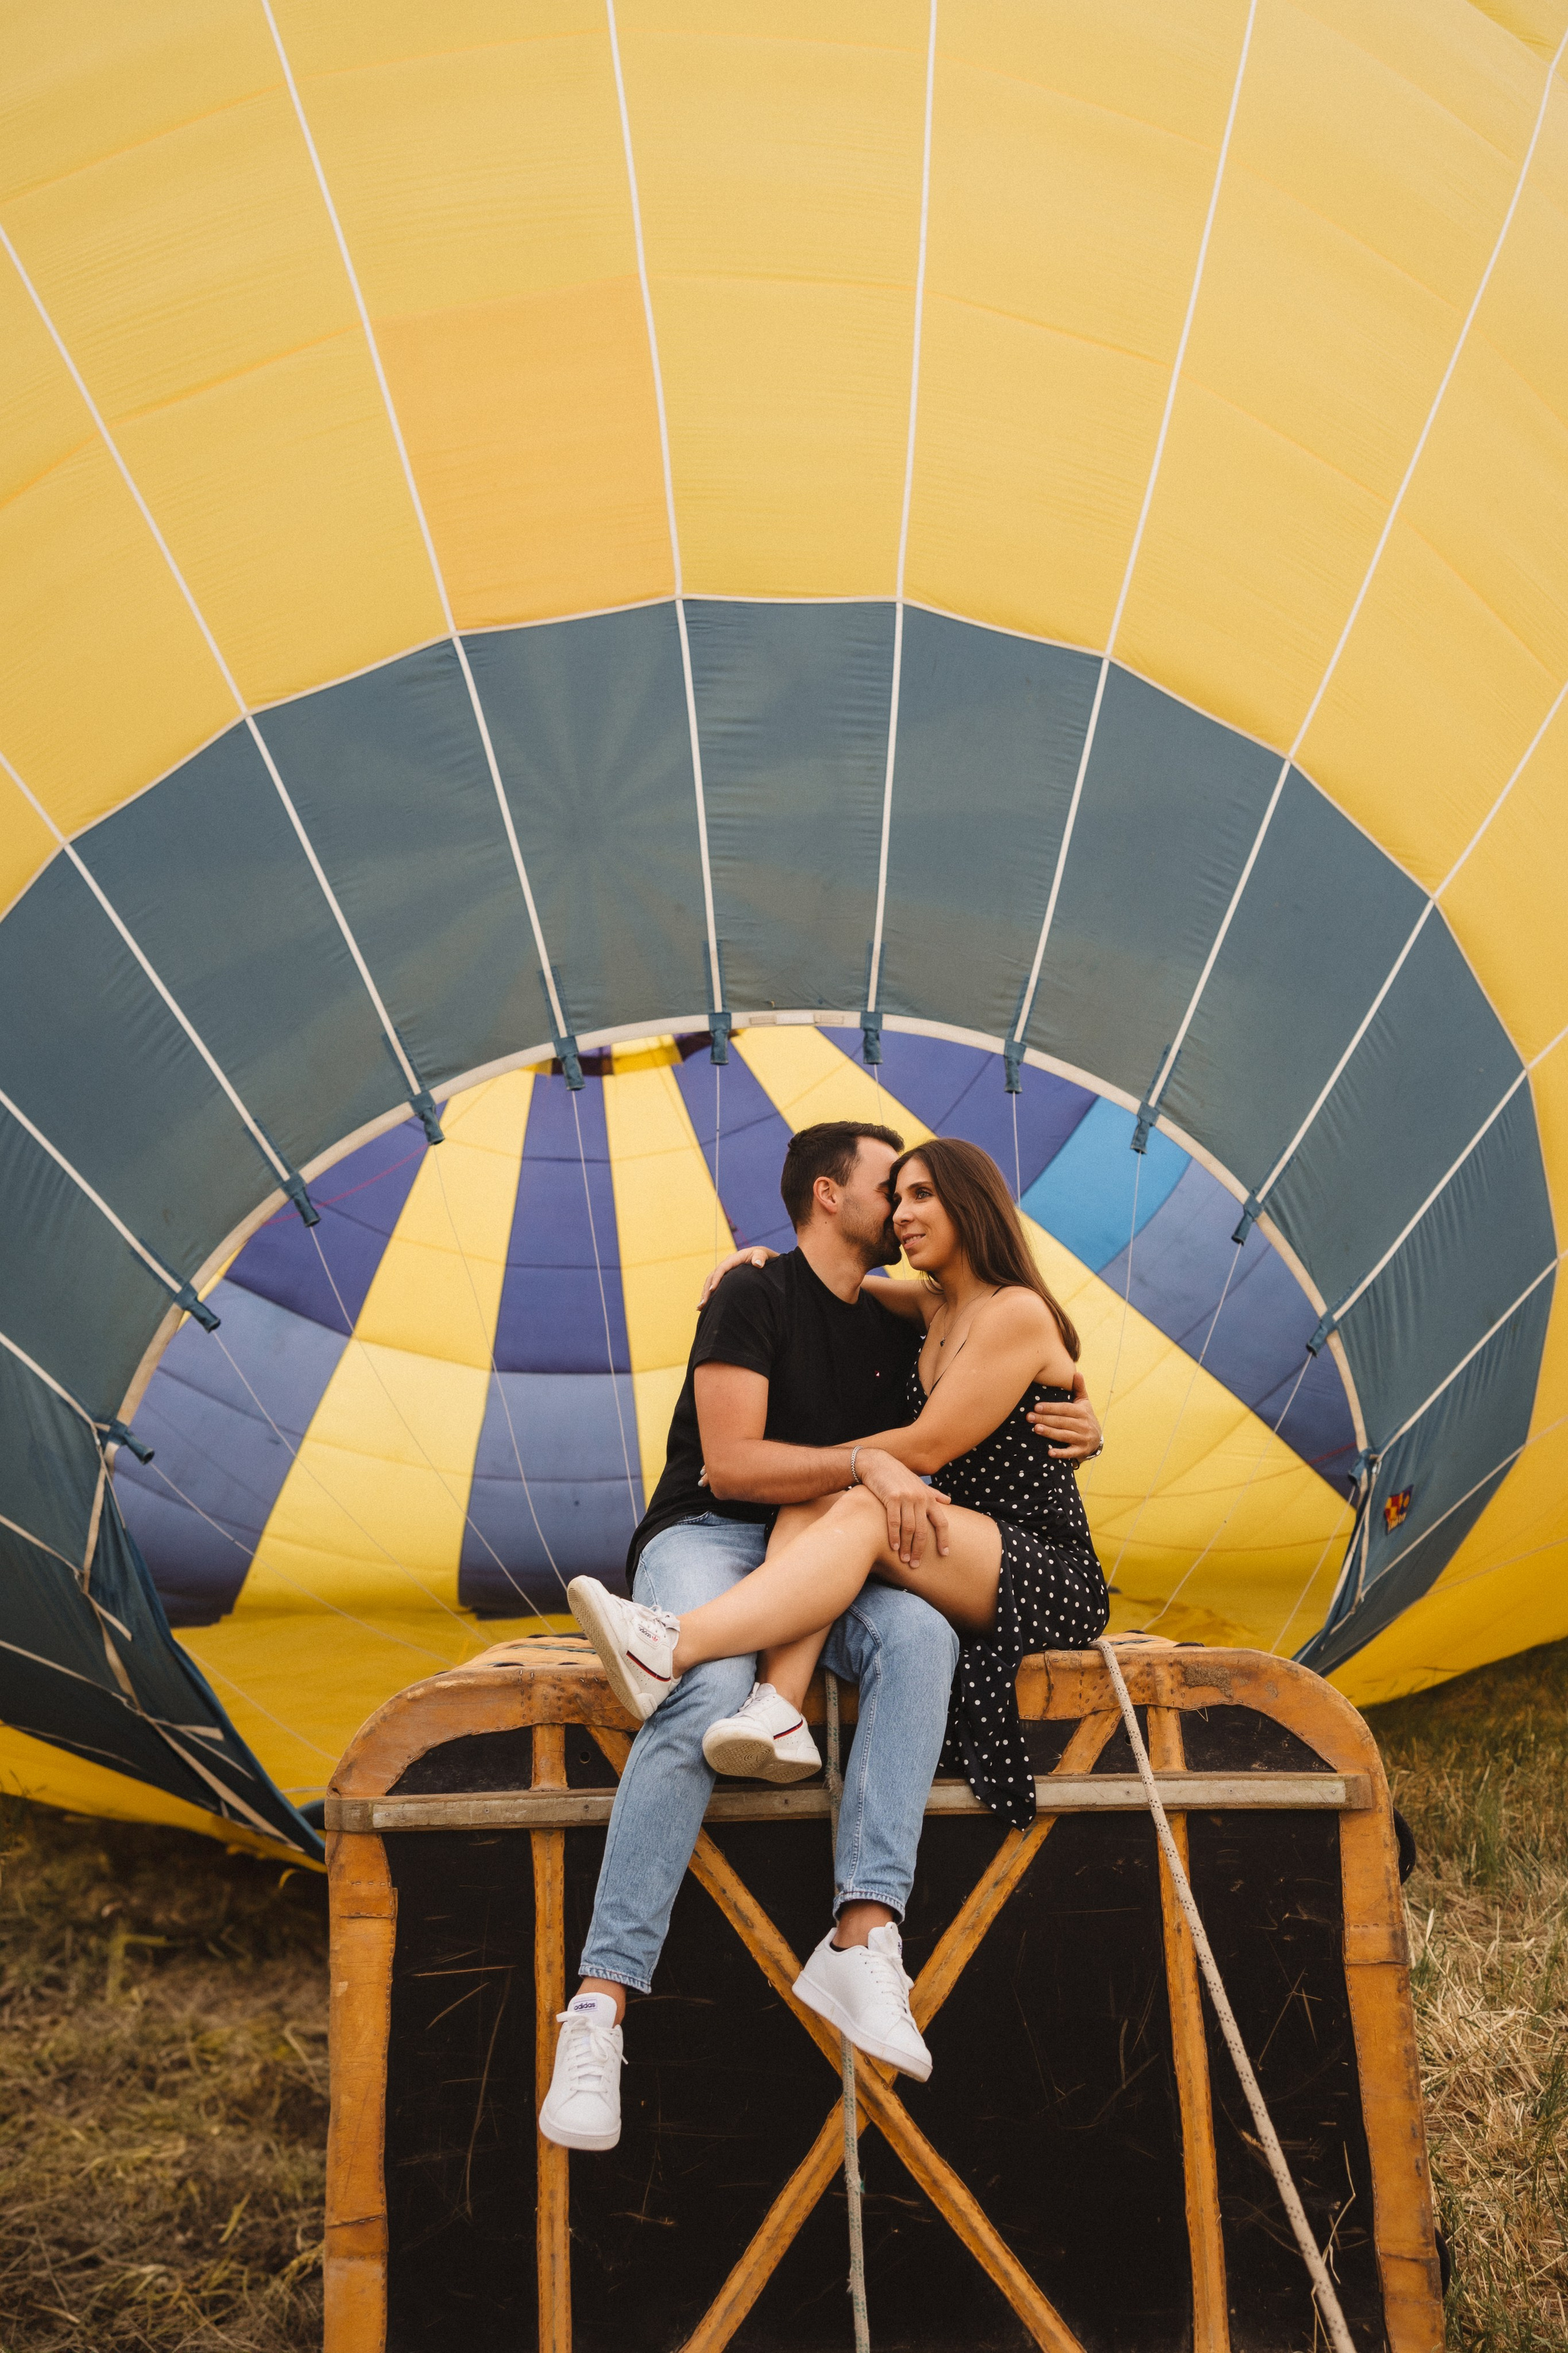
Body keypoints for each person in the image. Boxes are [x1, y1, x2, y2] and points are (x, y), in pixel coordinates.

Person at [538, 1120, 1102, 2153]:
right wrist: (859, 1456)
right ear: (833, 1196)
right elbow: (735, 1469)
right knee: (700, 1697)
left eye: (922, 1194)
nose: (904, 1211)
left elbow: (1009, 1366)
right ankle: (598, 2007)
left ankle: (866, 1930)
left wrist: (1076, 1400)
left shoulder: (912, 1317)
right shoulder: (757, 1294)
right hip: (719, 1535)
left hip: (849, 1548)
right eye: (894, 1189)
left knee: (922, 1637)